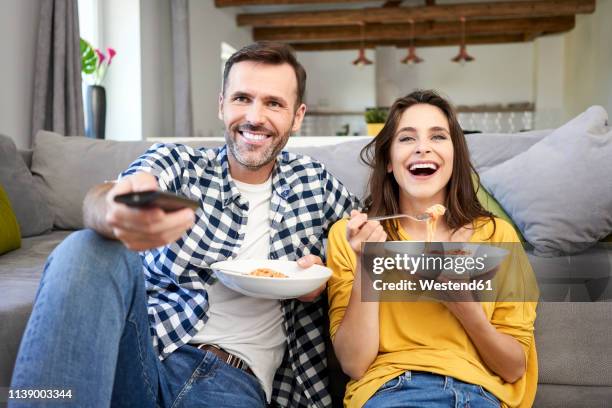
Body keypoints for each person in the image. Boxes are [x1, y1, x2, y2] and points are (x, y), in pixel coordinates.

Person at [10, 42, 358, 407]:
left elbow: (372, 233)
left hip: (231, 381)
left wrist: (323, 274)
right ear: (221, 104)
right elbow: (111, 193)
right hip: (143, 356)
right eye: (242, 98)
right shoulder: (179, 163)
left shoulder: (314, 184)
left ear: (297, 116)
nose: (255, 117)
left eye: (273, 103)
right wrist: (117, 208)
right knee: (87, 247)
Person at [326, 90, 538, 408]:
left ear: (454, 157)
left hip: (479, 394)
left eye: (438, 136)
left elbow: (513, 367)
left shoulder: (496, 235)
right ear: (387, 161)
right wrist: (368, 262)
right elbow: (354, 364)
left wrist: (466, 308)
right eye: (407, 138)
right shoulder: (351, 237)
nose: (423, 147)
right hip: (391, 390)